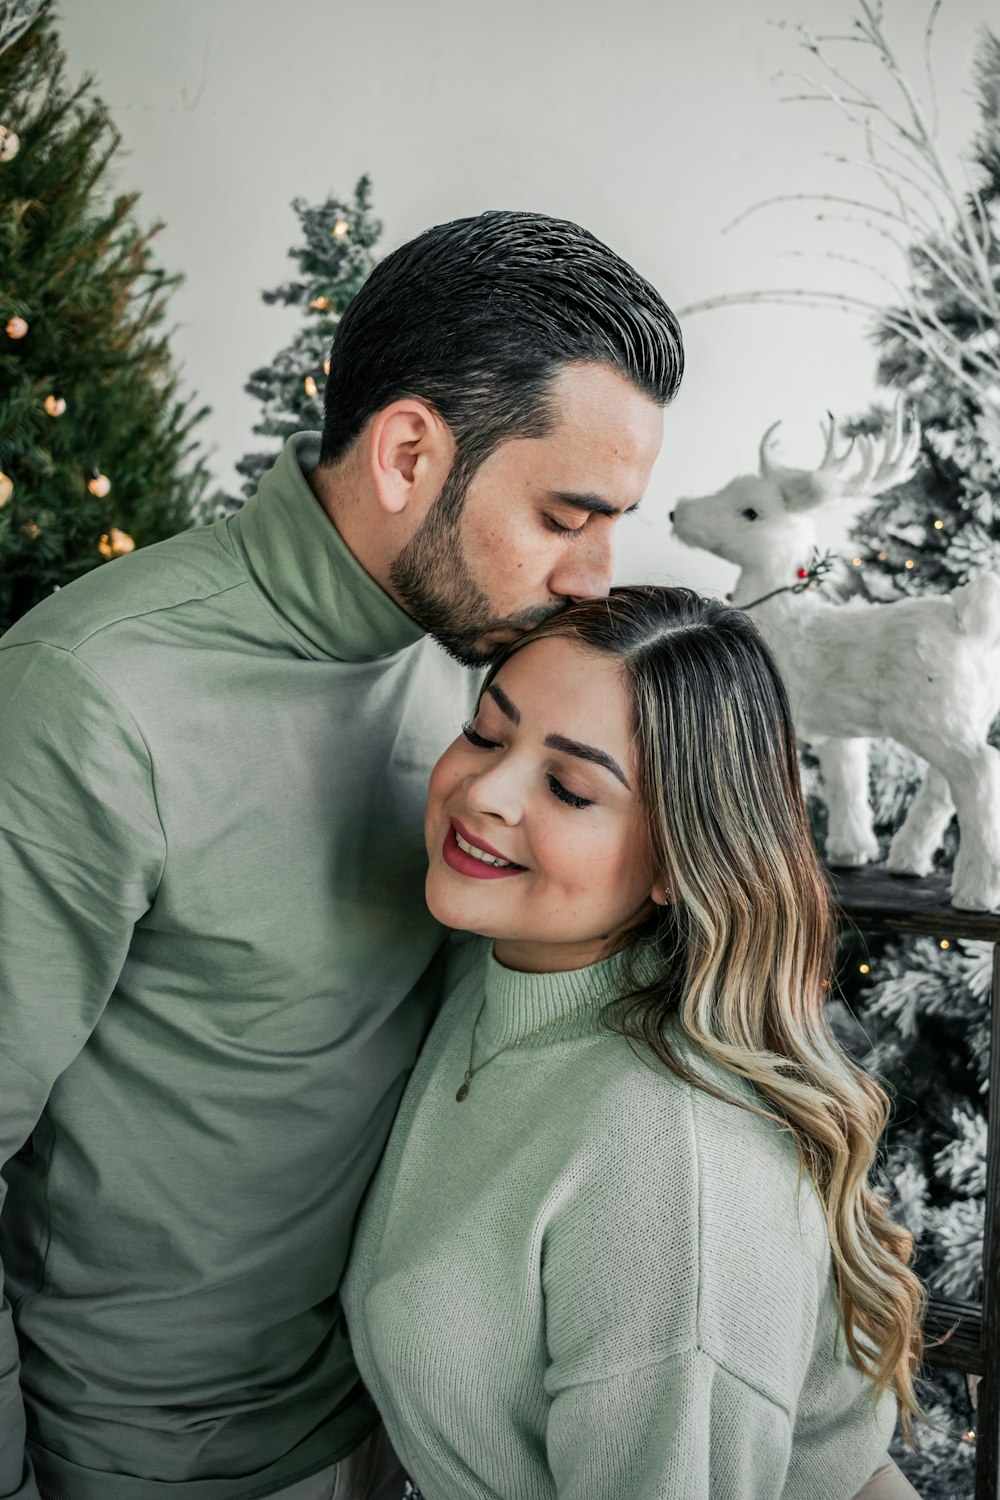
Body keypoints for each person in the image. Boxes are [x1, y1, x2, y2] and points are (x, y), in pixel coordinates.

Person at [0, 213, 683, 1500]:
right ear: (410, 451)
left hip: (401, 1435)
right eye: (564, 514)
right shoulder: (93, 698)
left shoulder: (497, 678)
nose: (598, 577)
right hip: (134, 1463)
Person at [342, 585, 928, 1500]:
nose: (484, 793)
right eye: (488, 735)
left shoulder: (665, 1162)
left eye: (571, 788)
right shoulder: (493, 977)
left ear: (675, 861)